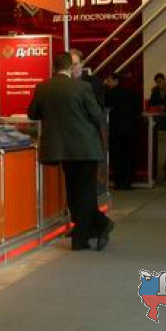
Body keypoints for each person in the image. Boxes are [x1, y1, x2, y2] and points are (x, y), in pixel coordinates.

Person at [28, 52, 113, 251]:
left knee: (74, 190)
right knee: (85, 192)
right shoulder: (82, 87)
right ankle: (93, 229)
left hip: (61, 149)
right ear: (69, 67)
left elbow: (32, 114)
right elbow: (96, 114)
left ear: (53, 67)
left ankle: (87, 231)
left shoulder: (43, 88)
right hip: (85, 147)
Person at [104, 72, 139, 190]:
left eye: (109, 80)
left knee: (116, 157)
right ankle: (128, 182)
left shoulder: (109, 94)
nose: (107, 83)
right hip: (129, 129)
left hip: (115, 130)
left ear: (116, 81)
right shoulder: (130, 93)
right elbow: (137, 110)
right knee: (128, 156)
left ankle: (118, 182)